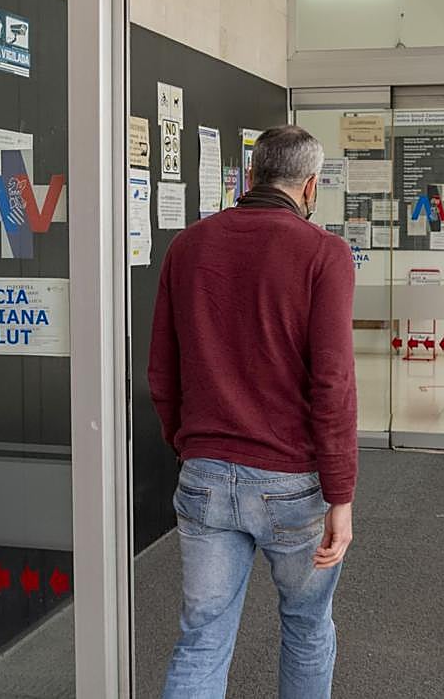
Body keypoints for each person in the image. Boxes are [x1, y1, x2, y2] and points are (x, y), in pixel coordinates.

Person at [149, 124, 358, 699]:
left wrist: (190, 446)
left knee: (201, 639)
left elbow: (162, 370)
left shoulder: (189, 245)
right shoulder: (324, 253)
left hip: (205, 473)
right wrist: (340, 495)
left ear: (252, 176)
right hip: (291, 482)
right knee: (307, 626)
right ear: (311, 185)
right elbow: (333, 382)